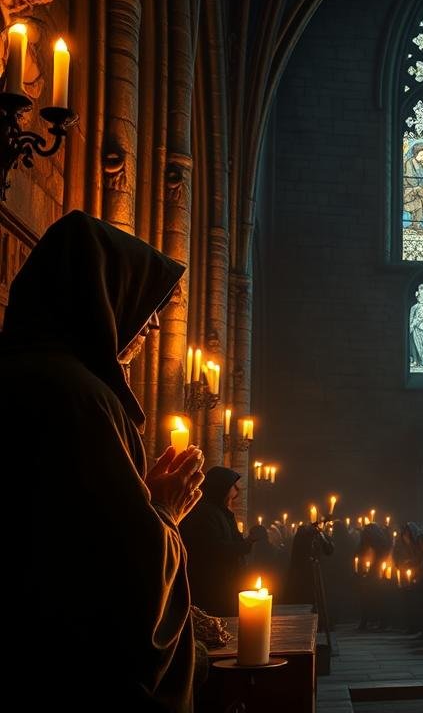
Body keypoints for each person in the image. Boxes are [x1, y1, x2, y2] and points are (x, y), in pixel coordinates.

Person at [2, 211, 204, 711]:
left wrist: (144, 498)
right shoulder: (82, 399)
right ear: (97, 294)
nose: (152, 323)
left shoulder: (23, 373)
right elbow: (122, 583)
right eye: (139, 298)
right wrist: (164, 513)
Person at [179, 466, 254, 616]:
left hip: (225, 583)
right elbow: (213, 548)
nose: (237, 490)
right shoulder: (205, 513)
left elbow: (232, 538)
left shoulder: (222, 512)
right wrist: (243, 546)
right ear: (222, 487)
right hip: (212, 586)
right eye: (233, 486)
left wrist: (246, 543)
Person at [403, 142, 423, 230]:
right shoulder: (409, 163)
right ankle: (416, 225)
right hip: (410, 190)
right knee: (418, 204)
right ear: (416, 154)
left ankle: (418, 224)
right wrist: (420, 188)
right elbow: (410, 178)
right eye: (422, 154)